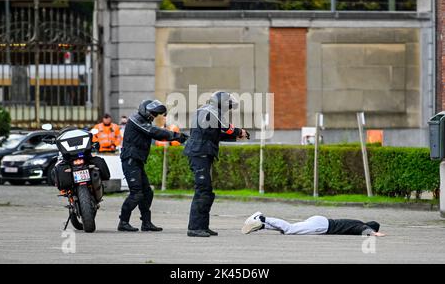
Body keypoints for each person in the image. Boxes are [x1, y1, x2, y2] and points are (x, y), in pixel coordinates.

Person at [184, 91, 249, 237]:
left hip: (202, 153)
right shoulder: (210, 111)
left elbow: (216, 134)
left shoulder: (207, 110)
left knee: (207, 191)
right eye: (228, 105)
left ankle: (202, 226)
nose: (228, 109)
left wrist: (236, 136)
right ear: (220, 103)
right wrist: (240, 131)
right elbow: (226, 128)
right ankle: (194, 228)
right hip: (199, 153)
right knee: (202, 190)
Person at [118, 99, 188, 232]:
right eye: (153, 114)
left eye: (156, 114)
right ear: (145, 110)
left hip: (136, 161)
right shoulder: (135, 120)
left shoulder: (143, 121)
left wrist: (176, 136)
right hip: (130, 160)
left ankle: (146, 223)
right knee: (136, 194)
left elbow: (155, 133)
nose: (154, 117)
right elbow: (154, 132)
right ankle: (123, 221)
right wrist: (176, 136)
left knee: (147, 193)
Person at [241, 211, 385, 236]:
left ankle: (263, 225)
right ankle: (261, 218)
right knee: (290, 229)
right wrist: (374, 233)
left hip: (320, 222)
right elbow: (364, 228)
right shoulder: (359, 226)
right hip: (322, 226)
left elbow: (363, 226)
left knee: (288, 230)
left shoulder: (357, 222)